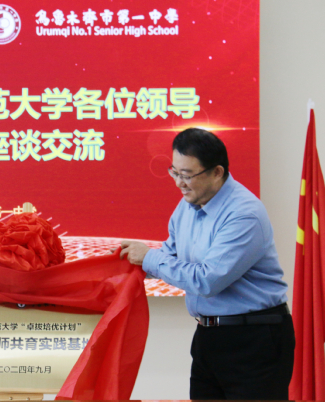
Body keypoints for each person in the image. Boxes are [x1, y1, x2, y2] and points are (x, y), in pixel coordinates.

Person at [119, 128, 295, 400]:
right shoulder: (186, 206)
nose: (180, 183)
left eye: (187, 175)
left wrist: (149, 258)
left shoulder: (243, 214)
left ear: (217, 172)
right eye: (174, 172)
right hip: (208, 336)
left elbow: (207, 280)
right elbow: (170, 255)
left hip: (254, 338)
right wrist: (128, 264)